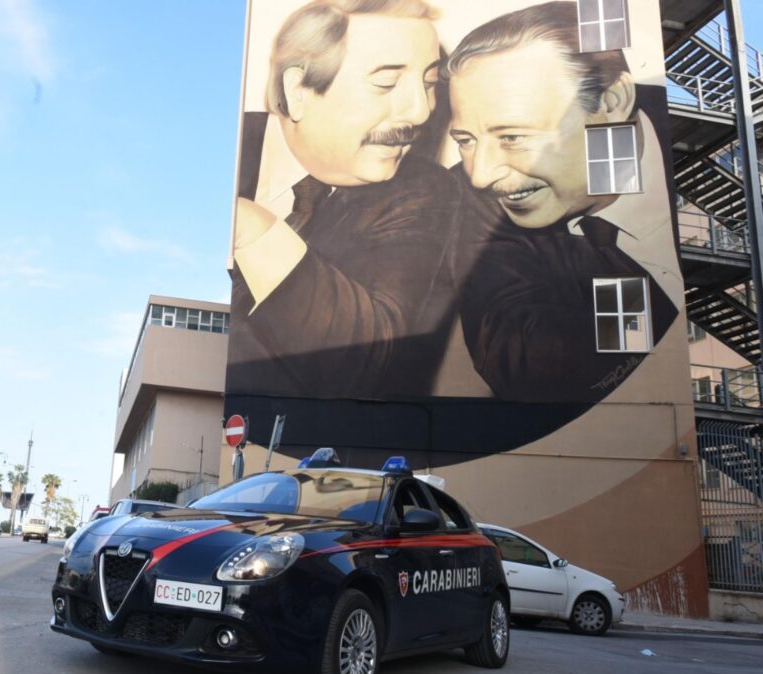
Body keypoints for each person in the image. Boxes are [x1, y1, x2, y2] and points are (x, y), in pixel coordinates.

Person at [444, 1, 679, 403]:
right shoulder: (470, 198)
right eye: (465, 141)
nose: (481, 175)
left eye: (512, 136)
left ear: (610, 102)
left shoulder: (678, 132)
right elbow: (531, 370)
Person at [228, 0, 462, 401]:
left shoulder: (425, 193)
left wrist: (251, 227)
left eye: (429, 83)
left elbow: (364, 362)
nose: (421, 112)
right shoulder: (218, 150)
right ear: (297, 90)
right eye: (386, 83)